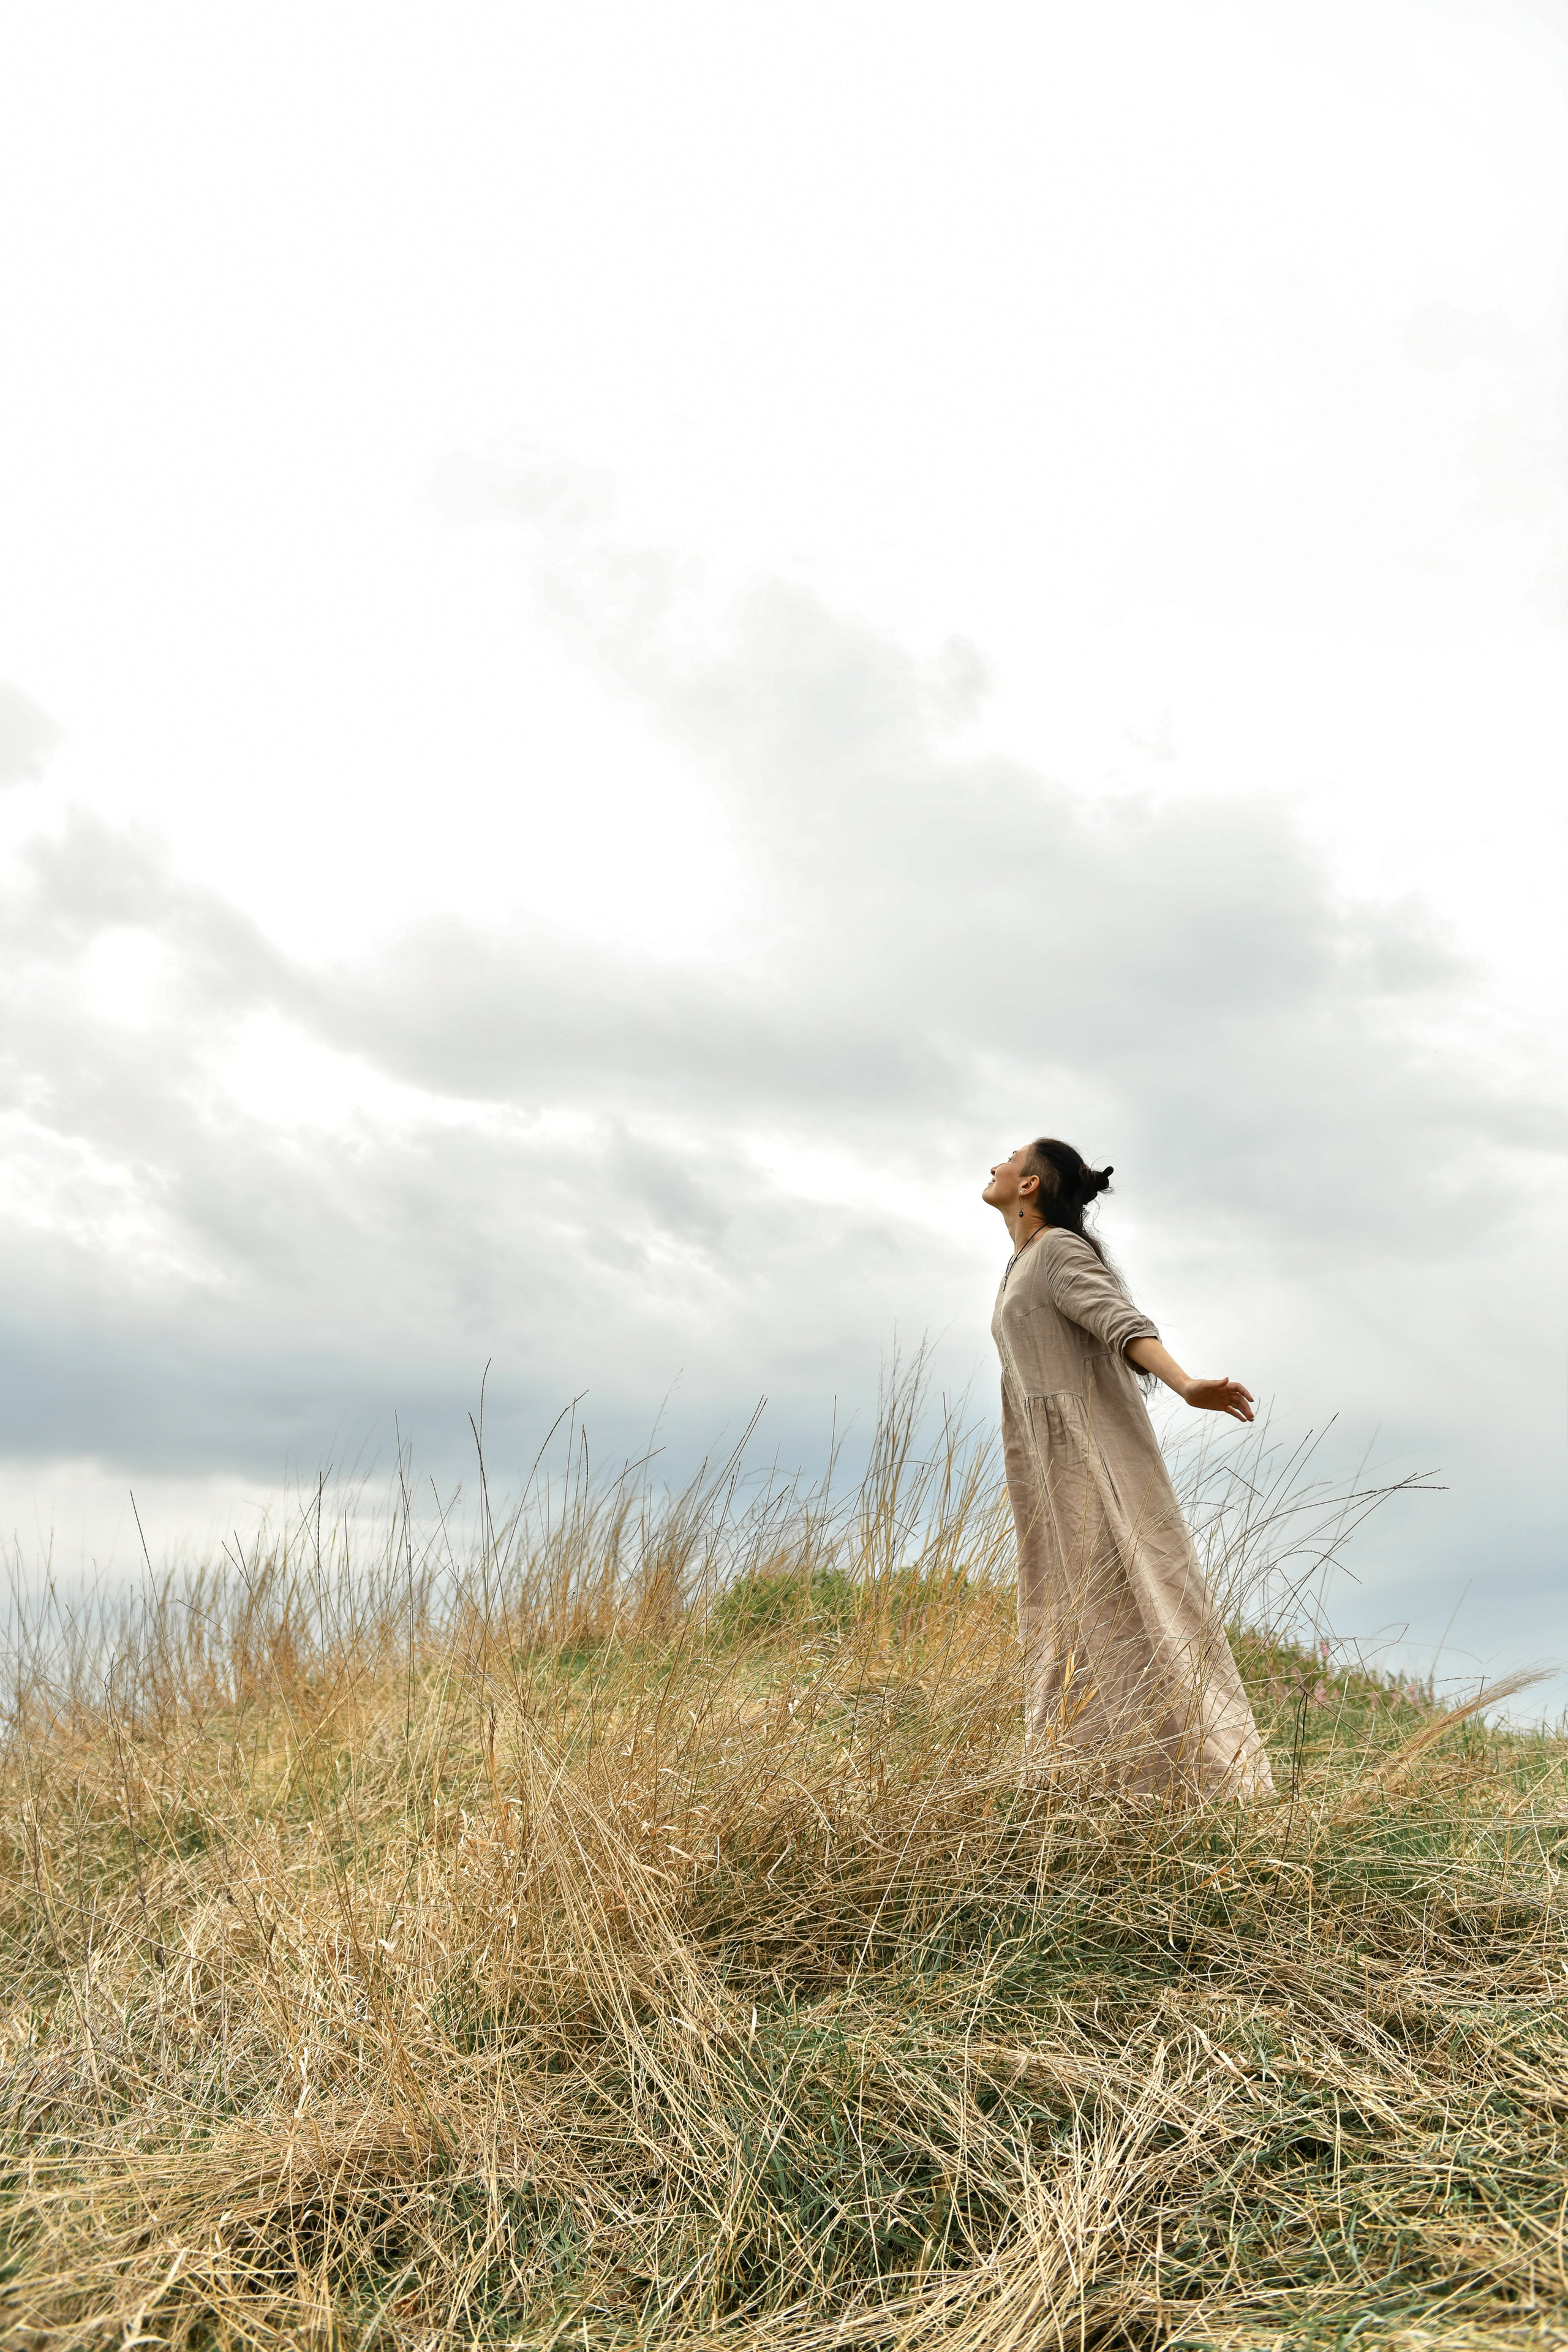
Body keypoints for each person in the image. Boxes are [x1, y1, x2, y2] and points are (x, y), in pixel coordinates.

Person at [982, 1139, 1273, 1800]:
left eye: (1009, 1157)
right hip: (1045, 1464)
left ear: (1030, 1185)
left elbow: (1121, 1324)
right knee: (1070, 1612)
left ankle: (1210, 1779)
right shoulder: (1020, 1261)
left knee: (1135, 1596)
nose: (996, 1163)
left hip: (1089, 1453)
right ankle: (1100, 1785)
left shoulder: (1056, 1250)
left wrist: (1185, 1385)